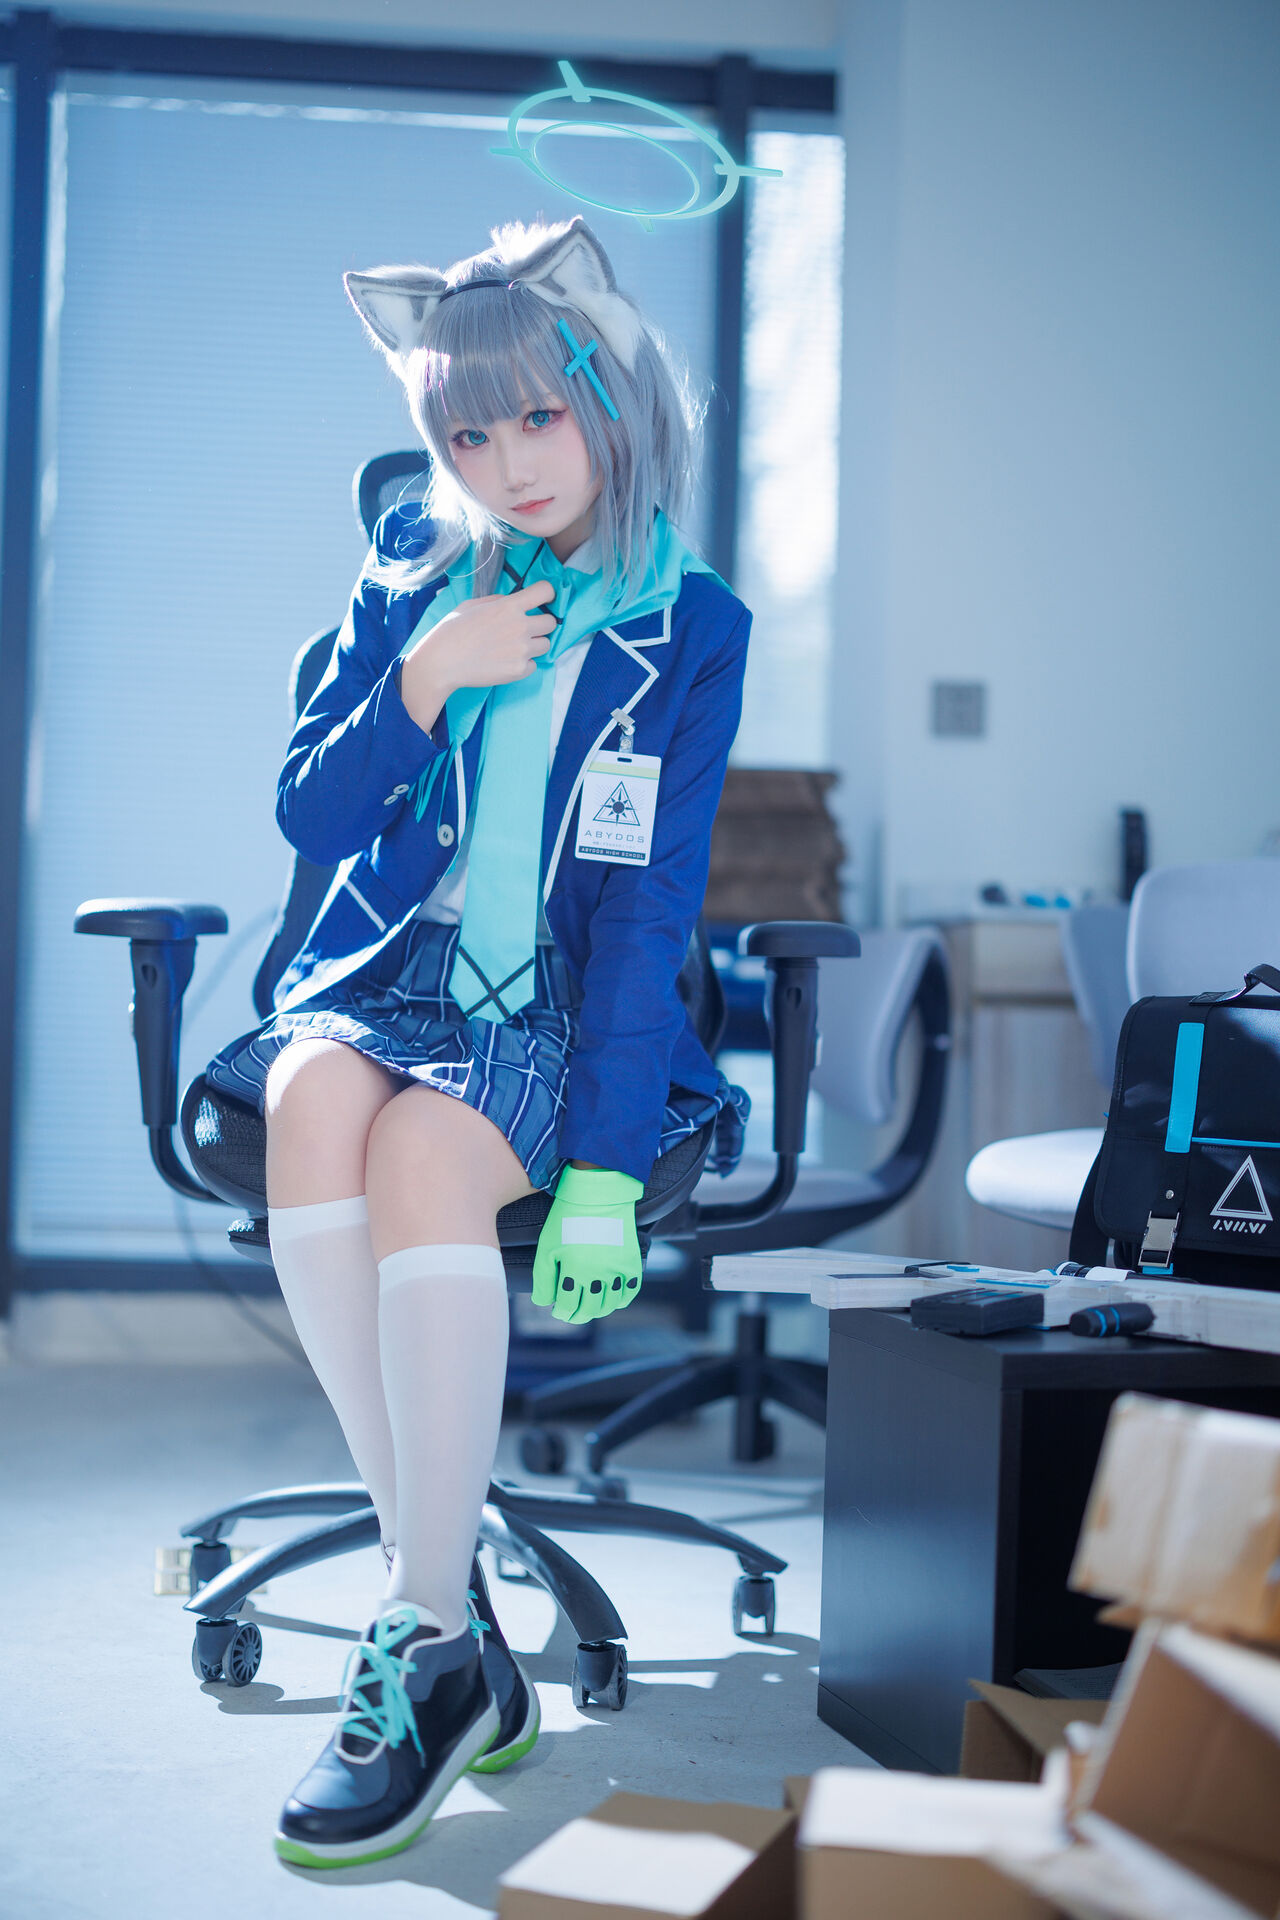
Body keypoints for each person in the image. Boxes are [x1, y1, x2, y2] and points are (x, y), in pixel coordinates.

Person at [205, 216, 751, 1869]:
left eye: (538, 418)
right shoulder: (410, 571)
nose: (504, 466)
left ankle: (430, 1633)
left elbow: (649, 910)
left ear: (610, 403)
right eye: (464, 434)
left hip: (559, 1005)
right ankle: (440, 1618)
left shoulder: (690, 625)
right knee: (313, 1099)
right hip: (389, 973)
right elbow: (312, 814)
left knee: (423, 1151)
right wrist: (424, 680)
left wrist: (606, 1166)